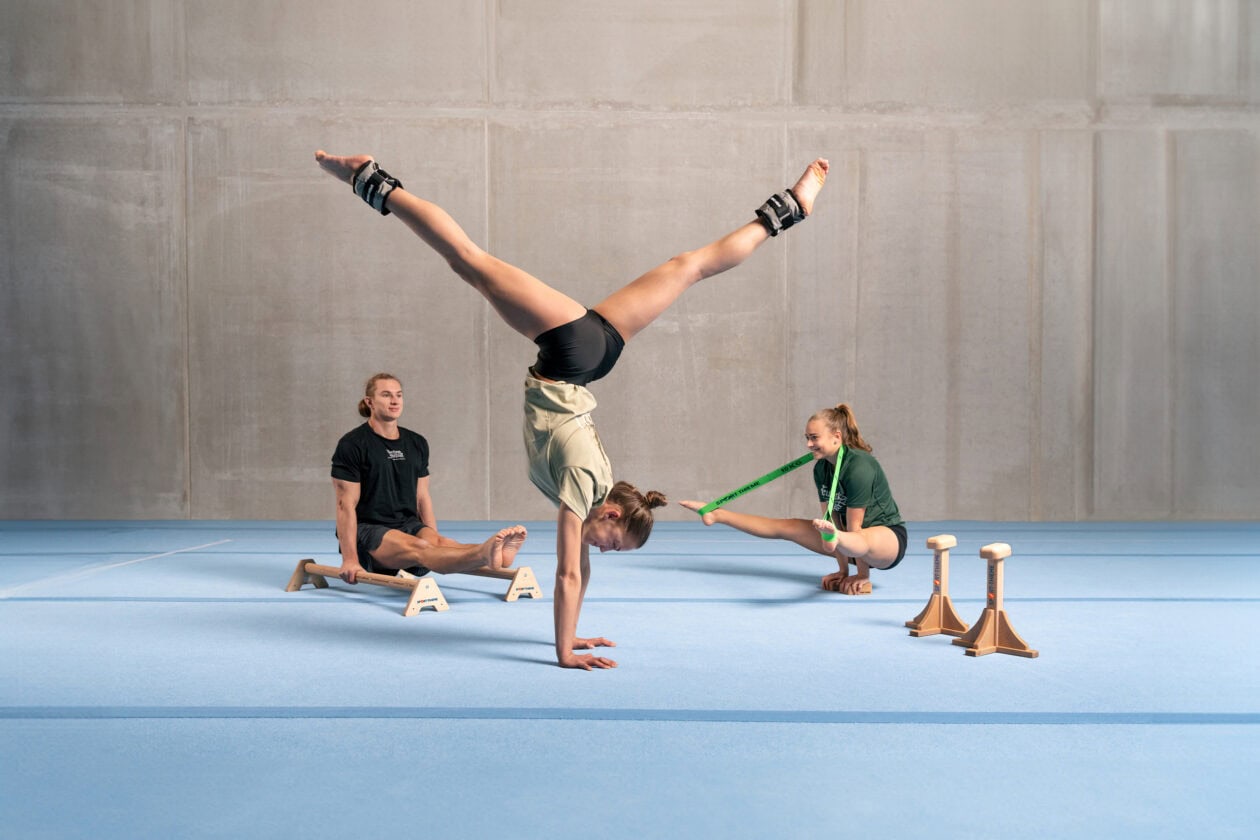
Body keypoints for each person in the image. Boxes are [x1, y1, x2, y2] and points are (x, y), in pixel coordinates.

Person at [316, 149, 829, 668]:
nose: (603, 550)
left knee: (690, 267)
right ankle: (370, 179)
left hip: (594, 356)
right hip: (568, 354)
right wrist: (563, 653)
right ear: (609, 513)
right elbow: (567, 574)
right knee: (468, 260)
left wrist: (572, 637)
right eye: (614, 543)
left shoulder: (591, 496)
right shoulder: (583, 488)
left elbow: (577, 571)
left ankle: (789, 208)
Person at [680, 403, 906, 595]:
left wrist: (861, 576)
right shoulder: (821, 469)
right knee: (788, 527)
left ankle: (853, 559)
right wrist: (843, 572)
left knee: (854, 536)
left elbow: (855, 529)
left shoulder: (859, 466)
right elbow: (832, 521)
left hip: (885, 541)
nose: (808, 444)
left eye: (814, 438)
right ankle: (717, 514)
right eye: (807, 438)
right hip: (845, 542)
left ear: (837, 437)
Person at [332, 372, 528, 585]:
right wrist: (350, 559)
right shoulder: (353, 444)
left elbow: (422, 497)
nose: (395, 400)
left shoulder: (416, 443)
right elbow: (345, 505)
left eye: (399, 394)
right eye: (386, 395)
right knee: (422, 548)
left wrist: (438, 548)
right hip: (369, 531)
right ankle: (485, 553)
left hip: (407, 523)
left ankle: (498, 554)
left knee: (440, 543)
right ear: (370, 402)